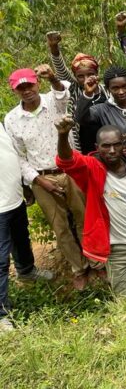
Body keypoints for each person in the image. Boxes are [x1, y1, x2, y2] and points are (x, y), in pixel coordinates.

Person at [55, 117, 126, 297]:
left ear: (124, 145)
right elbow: (67, 160)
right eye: (106, 146)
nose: (112, 150)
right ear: (97, 147)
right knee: (125, 300)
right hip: (115, 248)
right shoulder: (92, 169)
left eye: (116, 145)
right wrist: (63, 135)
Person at [4, 66, 90, 290]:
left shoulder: (53, 100)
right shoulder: (12, 119)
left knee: (84, 218)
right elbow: (19, 156)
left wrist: (52, 77)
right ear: (14, 90)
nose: (27, 91)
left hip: (70, 171)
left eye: (30, 85)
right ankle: (79, 268)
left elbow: (63, 93)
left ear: (37, 83)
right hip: (42, 178)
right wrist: (38, 180)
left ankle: (95, 262)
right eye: (21, 88)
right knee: (60, 228)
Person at [0, 123, 54, 332]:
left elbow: (10, 157)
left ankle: (27, 271)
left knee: (21, 239)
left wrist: (24, 187)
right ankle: (2, 314)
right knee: (1, 260)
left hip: (14, 199)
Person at [46, 30, 107, 153]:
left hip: (109, 143)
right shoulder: (74, 88)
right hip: (85, 146)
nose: (86, 79)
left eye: (90, 74)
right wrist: (54, 47)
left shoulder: (107, 90)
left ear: (97, 73)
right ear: (75, 77)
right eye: (80, 76)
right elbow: (61, 70)